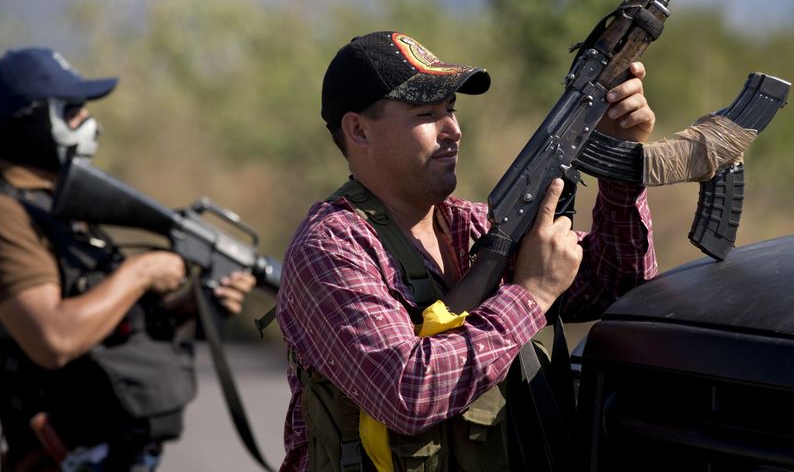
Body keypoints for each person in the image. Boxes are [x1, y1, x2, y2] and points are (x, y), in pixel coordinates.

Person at [275, 31, 658, 471]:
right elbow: (407, 391)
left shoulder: (471, 225)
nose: (453, 129)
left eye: (451, 110)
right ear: (358, 130)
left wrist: (623, 156)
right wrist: (530, 296)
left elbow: (620, 283)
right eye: (426, 113)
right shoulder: (331, 248)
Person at [0, 47, 257, 472]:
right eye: (73, 111)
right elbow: (54, 339)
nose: (90, 125)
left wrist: (192, 304)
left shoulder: (50, 207)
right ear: (34, 120)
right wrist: (142, 271)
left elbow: (104, 329)